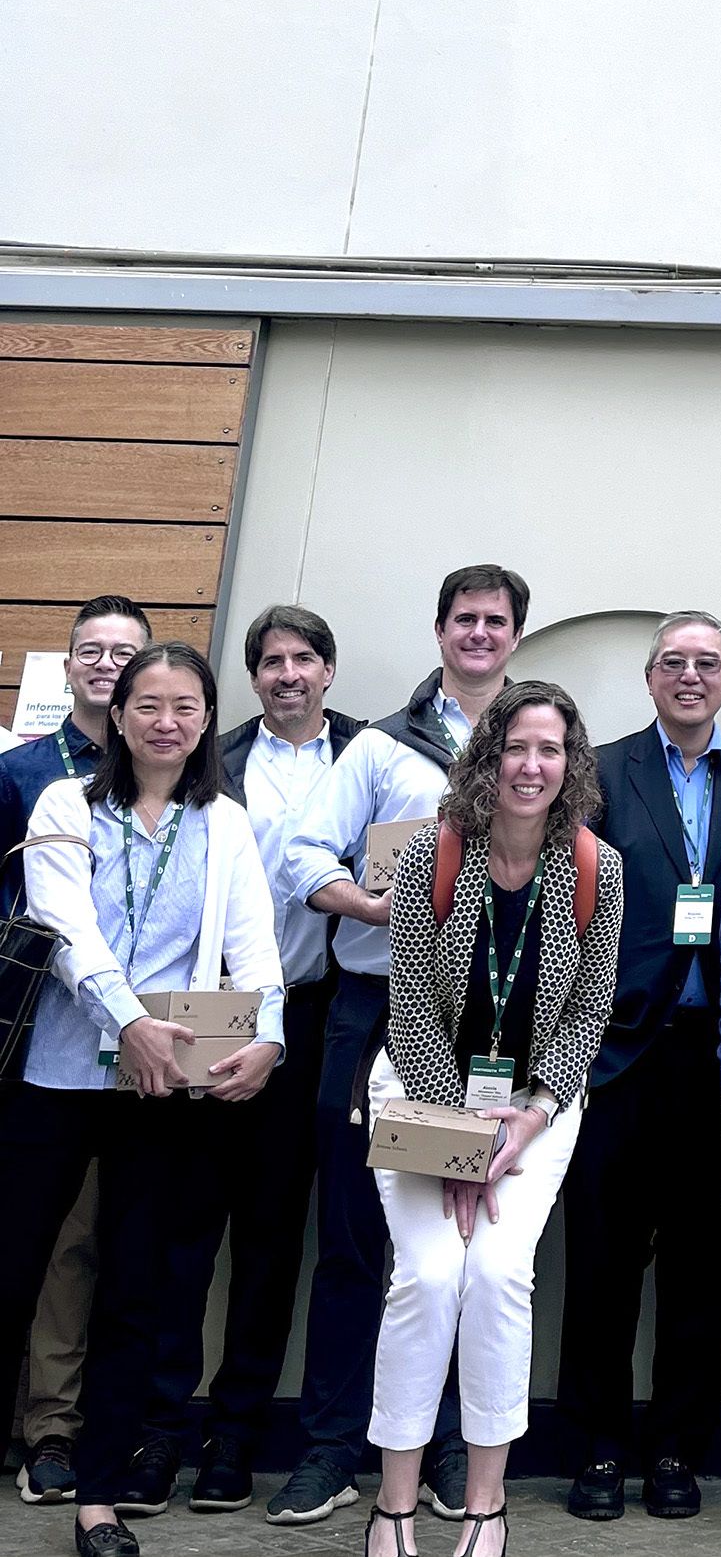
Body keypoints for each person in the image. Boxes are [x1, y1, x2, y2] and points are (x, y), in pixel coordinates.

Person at [0, 642, 284, 1557]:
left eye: (187, 707)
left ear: (206, 722)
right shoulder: (65, 803)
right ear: (116, 715)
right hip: (59, 1075)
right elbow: (67, 927)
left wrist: (270, 1037)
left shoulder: (225, 823)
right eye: (149, 704)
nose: (168, 721)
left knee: (136, 1290)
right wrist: (129, 1019)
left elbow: (256, 943)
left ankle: (100, 1497)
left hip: (161, 1087)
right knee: (13, 1270)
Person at [273, 565, 529, 1527]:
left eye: (494, 620)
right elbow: (305, 855)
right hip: (378, 1004)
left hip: (489, 1026)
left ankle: (454, 1444)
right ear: (438, 629)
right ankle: (336, 1444)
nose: (477, 632)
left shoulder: (538, 741)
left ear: (514, 636)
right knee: (355, 1232)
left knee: (468, 1235)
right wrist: (374, 904)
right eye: (463, 617)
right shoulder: (384, 744)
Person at [364, 679, 622, 1557]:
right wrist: (460, 1146)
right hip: (421, 1095)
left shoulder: (597, 865)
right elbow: (406, 1009)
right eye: (516, 746)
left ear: (569, 763)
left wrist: (530, 1115)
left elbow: (590, 1011)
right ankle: (394, 1505)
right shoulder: (434, 853)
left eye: (550, 749)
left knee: (501, 1276)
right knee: (430, 1277)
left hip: (537, 1109)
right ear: (489, 756)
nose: (531, 764)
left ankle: (485, 1503)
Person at [117, 608, 365, 1516]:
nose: (289, 673)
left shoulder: (366, 758)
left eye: (305, 657)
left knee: (270, 1239)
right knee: (185, 1235)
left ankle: (236, 1431)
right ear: (252, 677)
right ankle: (158, 1429)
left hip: (306, 1018)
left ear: (330, 670)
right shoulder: (208, 761)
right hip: (196, 1018)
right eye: (271, 661)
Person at [559, 611, 721, 1521]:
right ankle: (601, 1448)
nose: (691, 676)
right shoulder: (601, 775)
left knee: (706, 1262)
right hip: (616, 1053)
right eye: (674, 662)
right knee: (602, 1261)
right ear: (651, 677)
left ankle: (676, 1450)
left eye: (708, 664)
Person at [1, 597, 151, 1512]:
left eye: (121, 652)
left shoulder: (168, 774)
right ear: (67, 667)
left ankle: (54, 1428)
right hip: (31, 1030)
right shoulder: (22, 771)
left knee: (86, 1245)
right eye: (89, 651)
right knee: (28, 1239)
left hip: (133, 1047)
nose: (104, 664)